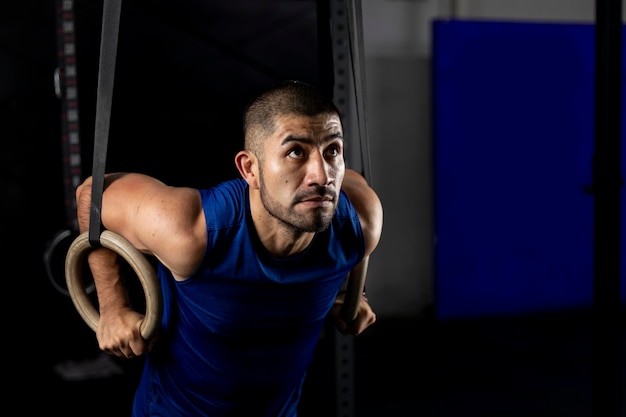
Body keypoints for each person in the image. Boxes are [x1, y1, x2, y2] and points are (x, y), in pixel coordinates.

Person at [74, 80, 383, 417]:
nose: (322, 176)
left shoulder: (360, 224)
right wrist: (113, 305)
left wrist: (356, 295)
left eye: (332, 150)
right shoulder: (189, 231)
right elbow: (92, 195)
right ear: (250, 169)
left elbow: (349, 185)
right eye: (296, 151)